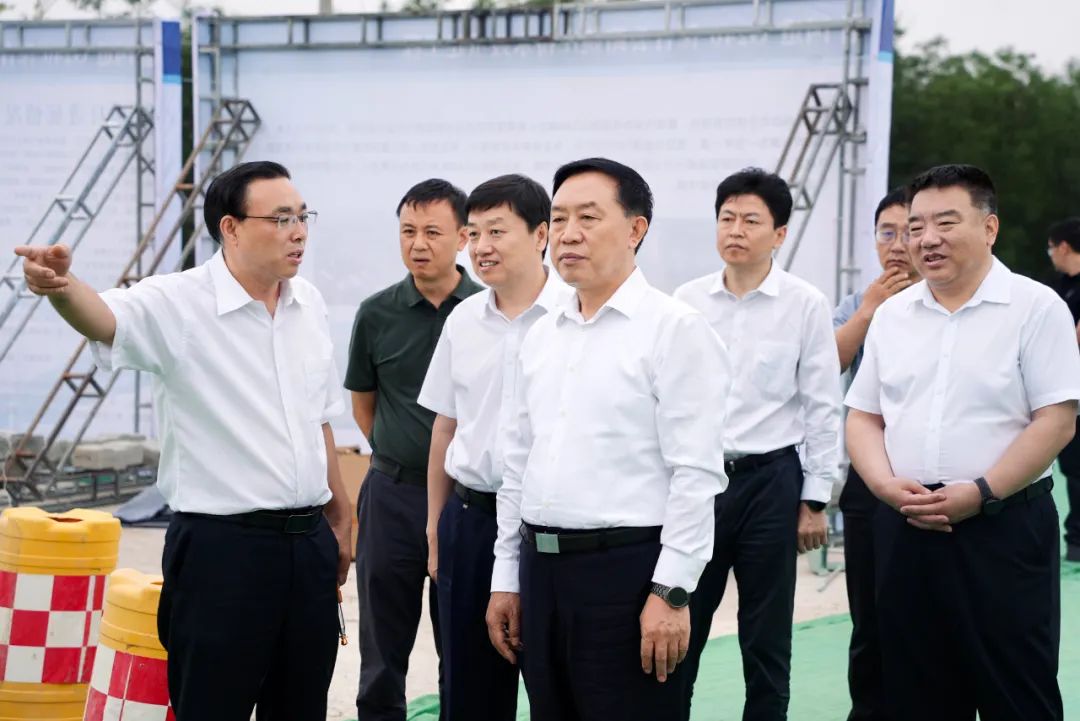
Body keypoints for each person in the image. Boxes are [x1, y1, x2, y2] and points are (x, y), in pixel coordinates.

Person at [15, 160, 352, 721]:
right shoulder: (178, 302)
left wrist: (340, 516)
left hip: (307, 545)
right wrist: (61, 287)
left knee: (301, 703)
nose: (298, 232)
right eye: (281, 219)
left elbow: (318, 416)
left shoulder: (307, 304)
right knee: (212, 704)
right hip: (223, 553)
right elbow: (105, 318)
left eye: (302, 217)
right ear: (231, 228)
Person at [485, 158, 730, 721]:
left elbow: (696, 473)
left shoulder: (675, 328)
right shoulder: (540, 335)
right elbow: (517, 465)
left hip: (628, 576)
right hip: (541, 573)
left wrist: (671, 591)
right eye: (559, 218)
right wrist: (507, 579)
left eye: (588, 218)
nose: (568, 234)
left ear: (635, 229)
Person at [846, 164, 1080, 721]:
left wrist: (981, 491)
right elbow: (863, 416)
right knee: (914, 694)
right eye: (916, 226)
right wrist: (883, 485)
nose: (926, 239)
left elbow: (1056, 419)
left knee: (1016, 692)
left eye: (946, 223)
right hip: (905, 527)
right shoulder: (893, 315)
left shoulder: (1035, 307)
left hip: (1002, 527)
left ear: (989, 227)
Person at [674, 167, 842, 721]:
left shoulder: (804, 303)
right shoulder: (686, 301)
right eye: (727, 218)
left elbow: (822, 405)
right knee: (681, 619)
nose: (736, 230)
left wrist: (815, 499)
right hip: (698, 482)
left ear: (779, 234)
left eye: (751, 220)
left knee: (766, 633)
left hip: (771, 481)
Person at [418, 173, 567, 721]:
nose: (481, 247)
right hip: (472, 522)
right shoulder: (464, 320)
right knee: (468, 689)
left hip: (549, 528)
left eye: (497, 231)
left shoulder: (574, 317)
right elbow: (445, 427)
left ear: (540, 235)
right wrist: (436, 528)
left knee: (559, 684)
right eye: (474, 233)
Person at [345, 178, 483, 721]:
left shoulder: (486, 310)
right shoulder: (376, 313)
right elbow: (364, 403)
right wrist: (396, 449)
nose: (418, 244)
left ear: (463, 238)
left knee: (463, 641)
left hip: (465, 500)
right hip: (392, 495)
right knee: (382, 641)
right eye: (407, 231)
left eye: (432, 232)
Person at [831, 188, 916, 721]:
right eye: (888, 232)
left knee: (930, 612)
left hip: (935, 475)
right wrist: (868, 310)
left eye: (911, 231)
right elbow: (828, 366)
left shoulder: (949, 298)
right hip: (868, 476)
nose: (900, 244)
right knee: (870, 612)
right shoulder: (856, 303)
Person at [1046, 216, 1080, 563]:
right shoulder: (1059, 288)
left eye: (1052, 248)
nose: (1051, 254)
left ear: (1064, 247)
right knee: (1070, 465)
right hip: (1064, 388)